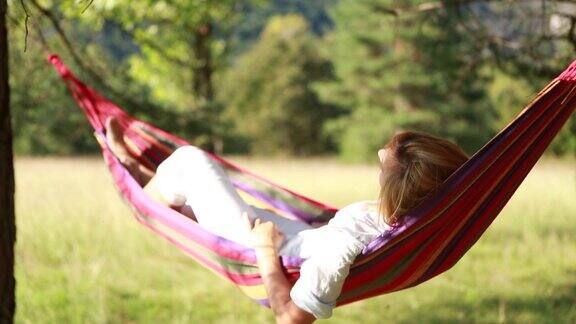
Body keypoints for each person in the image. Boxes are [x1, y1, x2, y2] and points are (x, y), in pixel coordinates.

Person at [105, 117, 468, 323]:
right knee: (189, 189)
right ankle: (141, 175)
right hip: (290, 233)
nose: (379, 153)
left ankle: (139, 189)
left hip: (261, 243)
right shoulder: (399, 221)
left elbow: (291, 318)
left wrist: (264, 252)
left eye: (385, 161)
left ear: (398, 185)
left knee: (189, 162)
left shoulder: (344, 247)